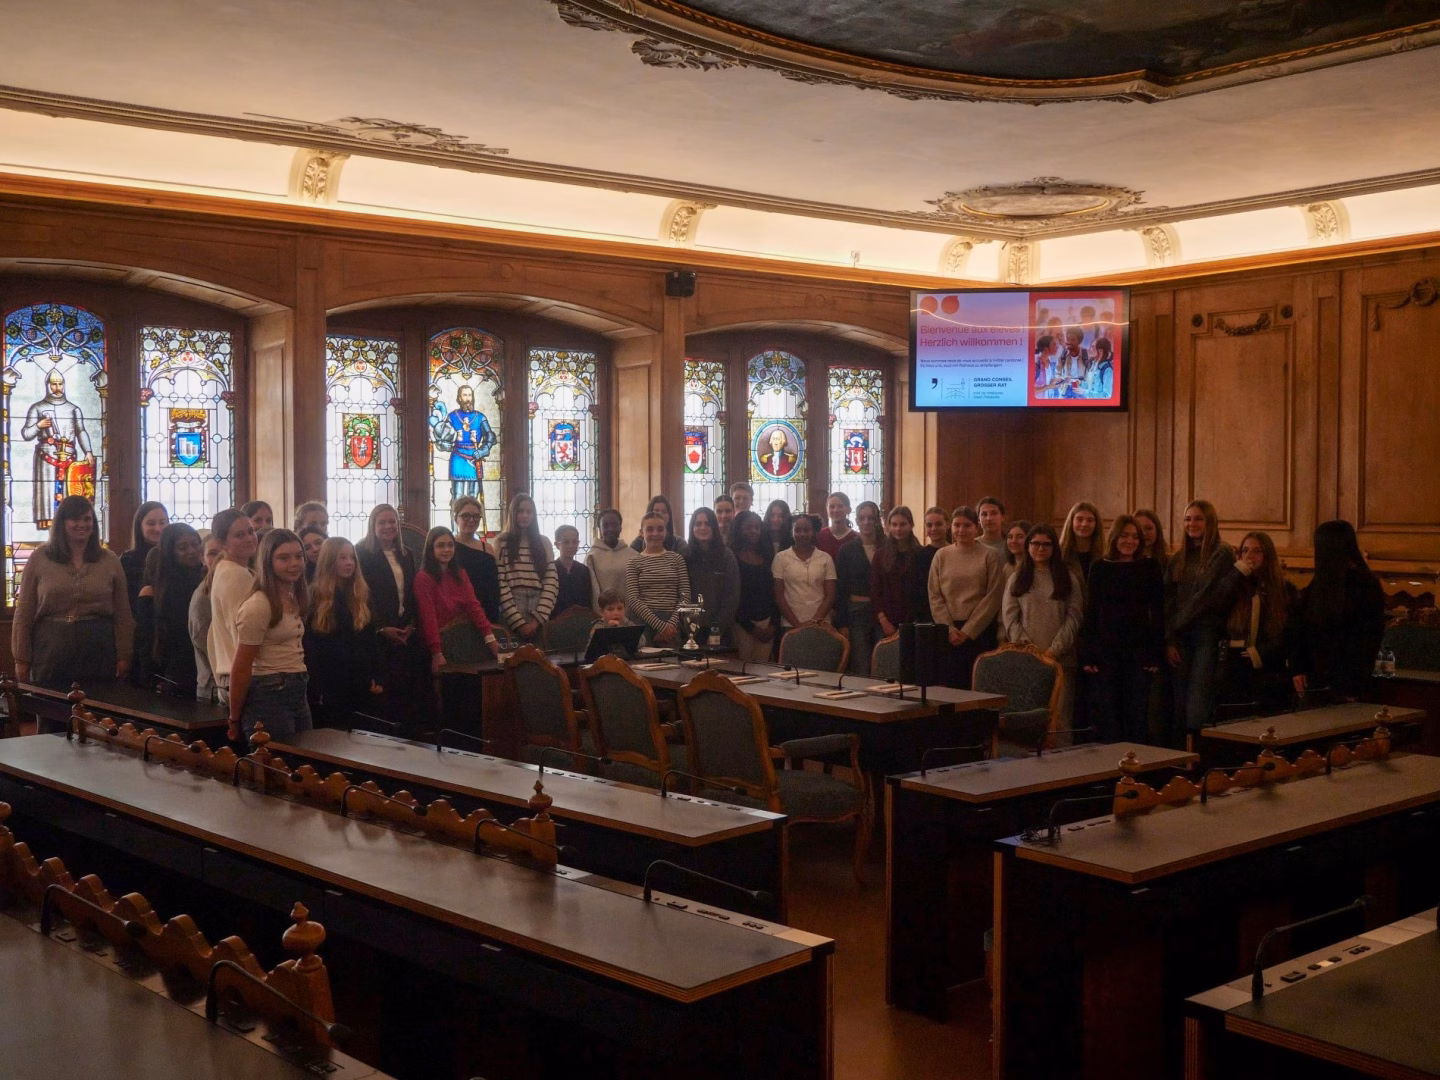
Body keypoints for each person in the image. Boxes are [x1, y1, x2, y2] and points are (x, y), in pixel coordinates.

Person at [11, 494, 134, 687]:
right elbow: (24, 611)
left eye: (87, 519)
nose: (82, 524)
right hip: (51, 649)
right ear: (62, 523)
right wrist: (21, 658)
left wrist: (124, 655)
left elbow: (123, 613)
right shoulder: (39, 558)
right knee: (51, 703)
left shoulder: (109, 560)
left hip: (99, 648)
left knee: (98, 704)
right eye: (75, 519)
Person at [1079, 515, 1166, 743]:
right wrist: (1089, 653)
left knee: (1137, 715)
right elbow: (1092, 612)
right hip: (1107, 651)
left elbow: (1158, 613)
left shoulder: (1150, 567)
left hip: (1138, 651)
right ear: (1115, 537)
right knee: (1109, 715)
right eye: (1125, 535)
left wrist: (1155, 653)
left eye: (1135, 536)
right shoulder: (1099, 567)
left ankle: (1138, 763)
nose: (1130, 541)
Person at [228, 528, 311, 739]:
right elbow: (241, 667)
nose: (294, 563)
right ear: (268, 562)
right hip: (268, 691)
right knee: (275, 756)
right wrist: (234, 719)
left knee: (305, 755)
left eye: (299, 556)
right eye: (284, 558)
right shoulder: (258, 605)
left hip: (297, 685)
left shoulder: (292, 596)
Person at [1290, 520, 1386, 702]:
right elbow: (1300, 627)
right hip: (1315, 677)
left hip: (1348, 681)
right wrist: (1298, 668)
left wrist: (1352, 684)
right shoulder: (1321, 581)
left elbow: (1367, 640)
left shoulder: (1365, 585)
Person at [1166, 499, 1235, 742]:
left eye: (1198, 519)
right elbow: (1168, 600)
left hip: (1206, 634)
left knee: (1197, 704)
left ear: (1209, 522)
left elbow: (1204, 597)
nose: (1191, 524)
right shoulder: (1178, 558)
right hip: (1179, 637)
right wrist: (1169, 639)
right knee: (1178, 704)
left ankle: (1198, 754)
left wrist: (1176, 625)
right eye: (1187, 519)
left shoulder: (1221, 553)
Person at [1003, 523, 1085, 726]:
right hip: (1027, 658)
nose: (1041, 548)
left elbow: (1074, 618)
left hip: (1061, 659)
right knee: (1029, 718)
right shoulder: (1016, 578)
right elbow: (1010, 618)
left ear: (1054, 548)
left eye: (1046, 544)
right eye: (1035, 543)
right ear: (1028, 546)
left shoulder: (1068, 578)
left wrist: (1053, 651)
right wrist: (1031, 650)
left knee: (1060, 718)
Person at [1206, 531, 1296, 713]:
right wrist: (1237, 574)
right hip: (1233, 663)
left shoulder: (1283, 589)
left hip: (1267, 665)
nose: (1249, 556)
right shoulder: (1234, 584)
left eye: (1257, 551)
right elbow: (1215, 607)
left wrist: (1262, 652)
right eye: (1245, 550)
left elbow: (1290, 631)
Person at [304, 537, 382, 729]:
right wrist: (315, 685)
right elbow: (311, 645)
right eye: (342, 558)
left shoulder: (361, 593)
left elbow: (370, 639)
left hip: (359, 676)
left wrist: (375, 674)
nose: (349, 563)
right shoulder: (315, 595)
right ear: (329, 561)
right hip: (330, 677)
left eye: (352, 558)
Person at [928, 505, 1007, 689]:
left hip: (980, 632)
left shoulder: (990, 555)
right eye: (957, 525)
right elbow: (934, 594)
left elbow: (993, 596)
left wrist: (968, 631)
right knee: (950, 687)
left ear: (976, 528)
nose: (961, 530)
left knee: (977, 687)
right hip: (948, 632)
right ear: (951, 527)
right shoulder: (941, 555)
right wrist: (949, 629)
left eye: (967, 525)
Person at [414, 526, 500, 673]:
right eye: (440, 546)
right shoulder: (423, 578)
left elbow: (473, 607)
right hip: (440, 643)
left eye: (450, 545)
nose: (446, 550)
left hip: (464, 638)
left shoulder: (460, 574)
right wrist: (436, 653)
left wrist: (490, 638)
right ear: (430, 549)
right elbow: (428, 618)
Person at [21, 370, 95, 530]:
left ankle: (69, 523)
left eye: (60, 384)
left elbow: (81, 431)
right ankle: (47, 523)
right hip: (46, 457)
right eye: (53, 384)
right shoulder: (37, 408)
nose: (57, 387)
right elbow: (26, 434)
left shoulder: (73, 409)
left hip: (68, 456)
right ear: (47, 385)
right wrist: (38, 426)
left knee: (69, 492)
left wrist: (88, 451)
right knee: (46, 493)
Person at [141, 523, 205, 697]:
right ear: (170, 552)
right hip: (175, 666)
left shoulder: (206, 579)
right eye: (182, 548)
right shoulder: (163, 587)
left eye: (195, 544)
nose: (192, 551)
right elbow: (147, 636)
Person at [207, 507, 258, 707]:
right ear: (221, 543)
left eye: (251, 531)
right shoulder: (236, 574)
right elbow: (241, 632)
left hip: (232, 674)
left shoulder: (227, 568)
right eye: (239, 535)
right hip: (242, 676)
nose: (249, 538)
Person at [495, 493, 558, 642]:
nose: (525, 515)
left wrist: (537, 619)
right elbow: (501, 584)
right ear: (512, 513)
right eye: (520, 511)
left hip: (538, 606)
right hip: (513, 605)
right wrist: (518, 622)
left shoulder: (544, 542)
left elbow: (551, 582)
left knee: (540, 655)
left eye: (529, 512)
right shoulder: (501, 542)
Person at [626, 511, 691, 644]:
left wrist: (671, 625)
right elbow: (633, 599)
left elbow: (685, 596)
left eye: (660, 529)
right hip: (643, 624)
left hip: (672, 625)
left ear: (666, 532)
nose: (655, 534)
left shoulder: (677, 559)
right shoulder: (633, 562)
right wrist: (661, 627)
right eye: (650, 529)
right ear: (641, 532)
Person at [832, 501, 881, 674]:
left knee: (882, 662)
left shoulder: (887, 546)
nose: (866, 522)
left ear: (877, 520)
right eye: (862, 518)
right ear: (857, 520)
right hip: (857, 612)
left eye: (871, 518)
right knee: (861, 663)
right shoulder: (847, 549)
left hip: (883, 613)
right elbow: (841, 588)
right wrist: (842, 623)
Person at [431, 384, 496, 505]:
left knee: (473, 497)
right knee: (457, 496)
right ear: (459, 398)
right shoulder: (452, 417)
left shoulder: (480, 417)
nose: (468, 399)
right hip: (458, 457)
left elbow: (490, 436)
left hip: (475, 457)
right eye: (465, 395)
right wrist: (444, 445)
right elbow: (443, 436)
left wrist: (483, 450)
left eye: (470, 395)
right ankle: (456, 518)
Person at [772, 514, 836, 635]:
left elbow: (830, 595)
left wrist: (814, 621)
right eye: (797, 530)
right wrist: (797, 625)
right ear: (791, 532)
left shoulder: (826, 558)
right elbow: (779, 596)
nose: (802, 534)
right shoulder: (781, 558)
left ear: (813, 532)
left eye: (806, 530)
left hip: (821, 623)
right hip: (790, 624)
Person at [872, 506, 928, 641]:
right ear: (889, 526)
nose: (898, 529)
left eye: (903, 524)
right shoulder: (880, 554)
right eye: (894, 524)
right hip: (886, 621)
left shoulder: (921, 554)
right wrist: (883, 621)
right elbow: (875, 589)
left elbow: (924, 591)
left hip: (915, 620)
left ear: (911, 525)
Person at [684, 506, 739, 642]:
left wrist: (717, 629)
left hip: (720, 630)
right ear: (692, 528)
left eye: (707, 524)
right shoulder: (684, 556)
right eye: (698, 524)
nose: (703, 528)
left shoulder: (726, 556)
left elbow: (731, 597)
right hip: (689, 629)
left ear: (714, 527)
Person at [730, 511, 779, 663]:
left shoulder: (768, 557)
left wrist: (773, 625)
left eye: (757, 527)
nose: (754, 531)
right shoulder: (732, 558)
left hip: (767, 625)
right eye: (749, 527)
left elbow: (775, 593)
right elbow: (732, 597)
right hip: (742, 626)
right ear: (739, 529)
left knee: (763, 672)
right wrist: (751, 628)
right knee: (743, 671)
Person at [451, 495, 501, 624]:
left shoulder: (487, 548)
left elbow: (494, 583)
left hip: (488, 610)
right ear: (456, 518)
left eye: (476, 516)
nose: (471, 520)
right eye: (466, 516)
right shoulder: (449, 547)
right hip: (460, 613)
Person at [189, 532, 224, 703]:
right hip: (215, 688)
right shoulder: (203, 596)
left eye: (224, 552)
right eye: (213, 554)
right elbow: (205, 644)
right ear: (202, 559)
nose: (220, 558)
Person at [120, 500, 168, 612]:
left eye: (162, 523)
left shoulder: (175, 556)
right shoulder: (128, 561)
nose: (158, 528)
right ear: (139, 526)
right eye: (151, 523)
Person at [587, 507, 637, 613]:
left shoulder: (633, 555)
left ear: (620, 528)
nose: (610, 529)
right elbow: (594, 591)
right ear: (600, 529)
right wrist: (601, 615)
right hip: (605, 615)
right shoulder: (592, 556)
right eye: (605, 525)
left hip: (630, 614)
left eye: (614, 525)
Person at [552, 524, 595, 614]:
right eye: (566, 542)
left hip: (580, 618)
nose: (571, 546)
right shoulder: (551, 569)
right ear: (557, 545)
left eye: (574, 542)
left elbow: (587, 600)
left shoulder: (583, 570)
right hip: (555, 618)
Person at [1059, 501, 1103, 583]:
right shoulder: (1060, 554)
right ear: (1071, 522)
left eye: (1090, 520)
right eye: (1079, 519)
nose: (1084, 524)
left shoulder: (1104, 554)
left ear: (1096, 524)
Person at [816, 492, 857, 560]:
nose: (836, 510)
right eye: (832, 507)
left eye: (840, 506)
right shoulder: (819, 537)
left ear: (849, 510)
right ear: (827, 510)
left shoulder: (856, 538)